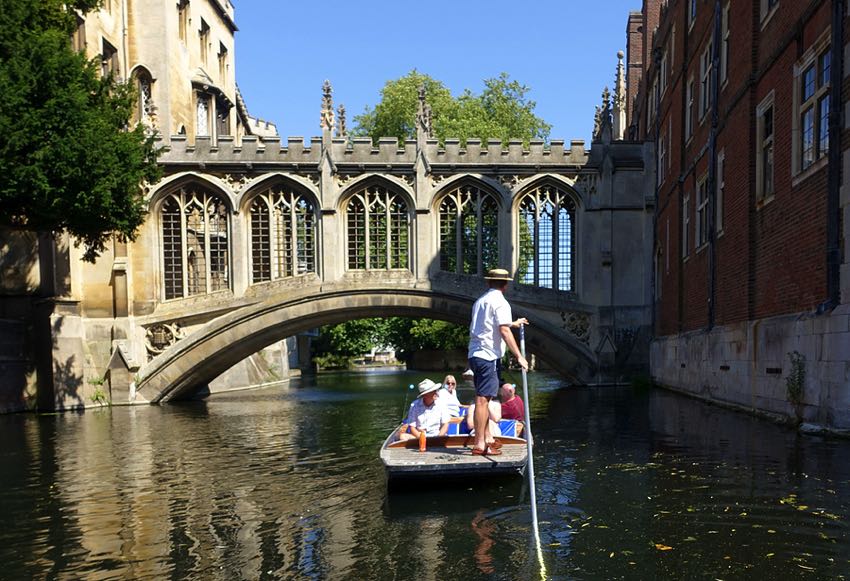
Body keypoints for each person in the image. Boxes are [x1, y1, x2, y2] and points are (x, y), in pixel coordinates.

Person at [468, 268, 528, 456]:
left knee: (485, 398)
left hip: (475, 354)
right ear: (506, 285)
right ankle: (480, 444)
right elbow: (503, 330)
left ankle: (487, 438)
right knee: (482, 400)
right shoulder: (501, 303)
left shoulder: (480, 301)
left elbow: (490, 325)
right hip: (488, 356)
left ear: (488, 283)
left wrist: (514, 323)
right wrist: (519, 356)